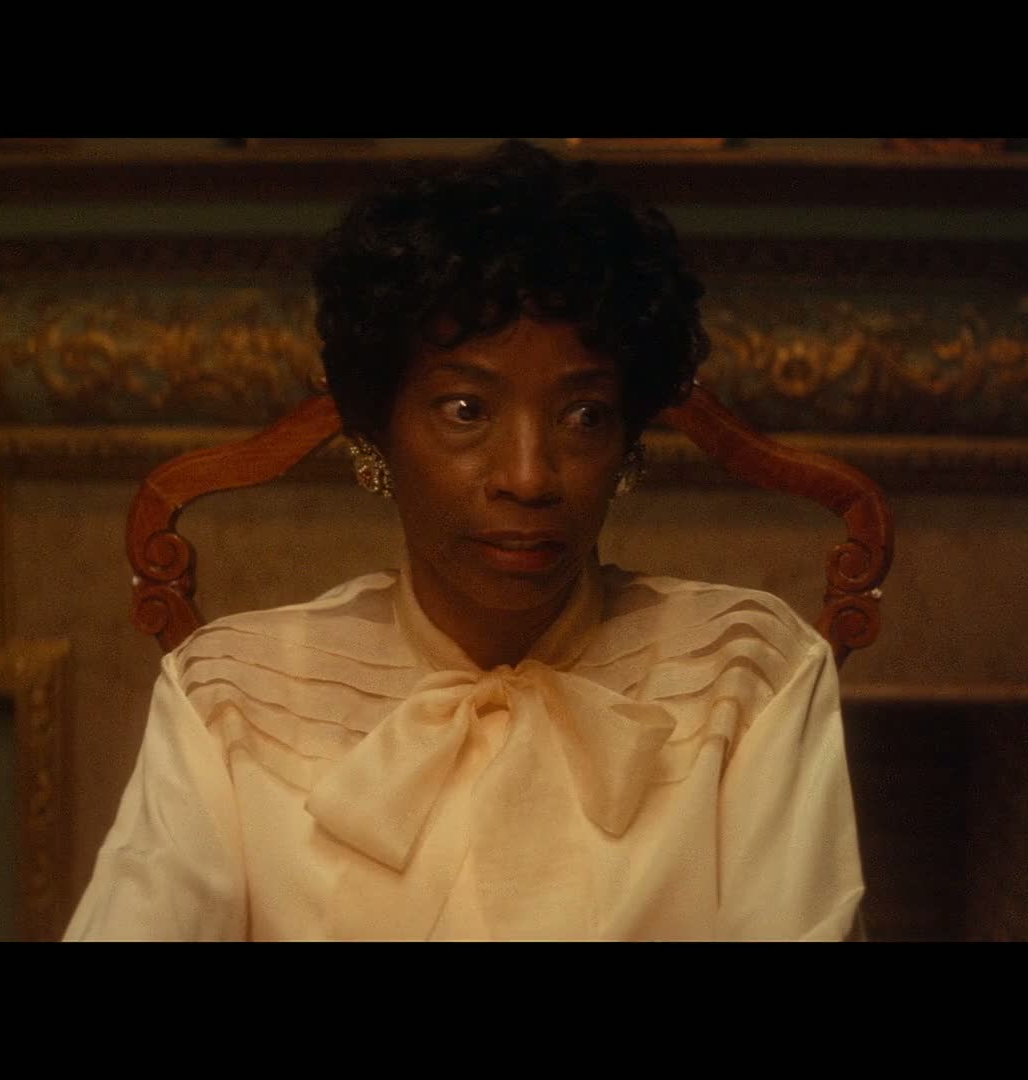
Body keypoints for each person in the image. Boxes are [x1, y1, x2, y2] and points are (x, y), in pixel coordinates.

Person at [65, 140, 864, 940]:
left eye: (583, 416)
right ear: (378, 431)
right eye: (466, 411)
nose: (528, 476)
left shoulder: (747, 674)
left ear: (628, 441)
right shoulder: (233, 696)